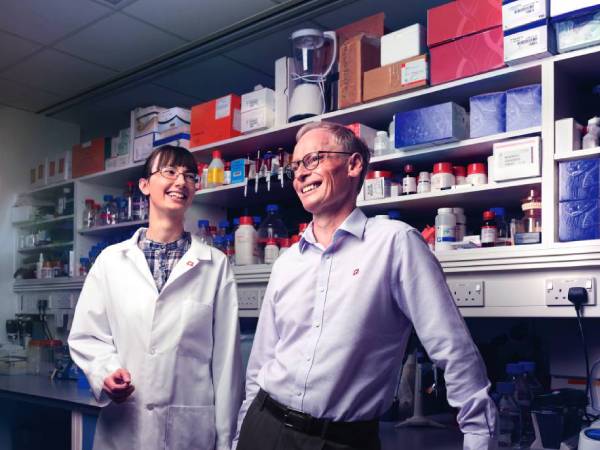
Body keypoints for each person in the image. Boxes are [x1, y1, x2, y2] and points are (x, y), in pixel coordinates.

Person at [234, 122, 497, 450]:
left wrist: (479, 437)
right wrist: (241, 434)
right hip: (265, 427)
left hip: (342, 441)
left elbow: (452, 348)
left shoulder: (395, 243)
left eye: (313, 159)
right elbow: (260, 362)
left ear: (354, 164)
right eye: (295, 166)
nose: (300, 174)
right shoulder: (287, 262)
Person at [69, 145, 242, 450]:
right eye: (170, 172)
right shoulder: (111, 262)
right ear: (145, 185)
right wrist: (106, 373)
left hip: (190, 434)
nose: (181, 182)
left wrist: (227, 442)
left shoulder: (215, 265)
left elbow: (227, 365)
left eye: (190, 176)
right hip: (124, 429)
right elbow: (87, 337)